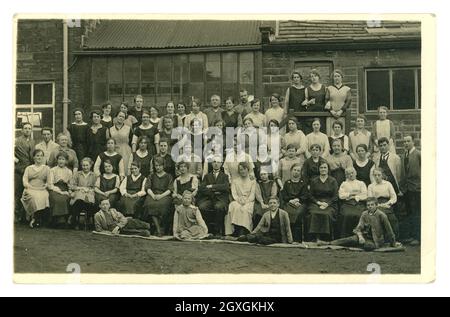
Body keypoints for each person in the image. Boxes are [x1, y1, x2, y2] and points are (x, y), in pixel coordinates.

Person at [329, 197, 397, 251]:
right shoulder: (364, 214)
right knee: (349, 239)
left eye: (372, 205)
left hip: (375, 239)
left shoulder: (382, 215)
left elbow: (389, 230)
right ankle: (328, 243)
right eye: (368, 205)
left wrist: (393, 243)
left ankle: (358, 244)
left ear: (376, 205)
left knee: (369, 246)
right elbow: (358, 228)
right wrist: (360, 237)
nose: (370, 207)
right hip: (364, 236)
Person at [198, 156, 230, 236]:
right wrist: (215, 192)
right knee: (202, 207)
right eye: (214, 162)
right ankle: (207, 229)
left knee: (218, 207)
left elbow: (225, 187)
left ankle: (217, 230)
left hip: (220, 199)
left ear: (221, 164)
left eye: (218, 162)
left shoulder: (225, 176)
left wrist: (212, 186)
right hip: (209, 199)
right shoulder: (207, 176)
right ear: (212, 164)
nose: (216, 164)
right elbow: (202, 188)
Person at [307, 162, 339, 243]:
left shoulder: (333, 181)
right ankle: (315, 236)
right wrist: (318, 203)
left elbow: (335, 196)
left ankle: (326, 238)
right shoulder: (314, 181)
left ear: (328, 169)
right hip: (316, 203)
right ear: (319, 169)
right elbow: (310, 195)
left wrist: (327, 204)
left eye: (325, 168)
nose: (323, 169)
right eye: (321, 168)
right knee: (313, 213)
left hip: (330, 203)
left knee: (327, 214)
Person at [143, 157, 174, 236]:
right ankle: (158, 229)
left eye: (160, 165)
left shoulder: (168, 176)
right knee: (150, 204)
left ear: (163, 166)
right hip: (153, 194)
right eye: (156, 165)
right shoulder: (151, 176)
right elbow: (148, 188)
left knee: (163, 205)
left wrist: (161, 196)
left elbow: (170, 189)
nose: (158, 167)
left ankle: (160, 228)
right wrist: (153, 195)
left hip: (164, 195)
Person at [399, 135, 421, 246]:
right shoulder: (404, 156)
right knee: (409, 212)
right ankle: (411, 236)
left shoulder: (418, 154)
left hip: (416, 189)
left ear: (413, 142)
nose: (406, 143)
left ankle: (417, 237)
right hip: (407, 189)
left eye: (408, 141)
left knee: (416, 213)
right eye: (404, 142)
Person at [21, 149, 50, 228]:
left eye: (41, 156)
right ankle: (34, 218)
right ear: (33, 157)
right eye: (37, 156)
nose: (39, 157)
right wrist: (31, 187)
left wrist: (45, 185)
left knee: (45, 195)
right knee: (33, 196)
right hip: (30, 188)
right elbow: (25, 181)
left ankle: (37, 218)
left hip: (41, 188)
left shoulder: (46, 168)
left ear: (43, 157)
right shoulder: (29, 168)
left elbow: (49, 181)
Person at [281, 163, 309, 242]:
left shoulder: (303, 183)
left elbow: (305, 195)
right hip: (289, 203)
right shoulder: (287, 183)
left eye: (298, 171)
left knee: (298, 213)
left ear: (300, 173)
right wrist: (290, 200)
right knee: (286, 212)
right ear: (291, 171)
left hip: (300, 203)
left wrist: (297, 200)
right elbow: (284, 195)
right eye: (294, 170)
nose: (296, 172)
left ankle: (297, 238)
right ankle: (287, 237)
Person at [226, 162, 257, 236]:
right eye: (240, 170)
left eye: (244, 169)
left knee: (245, 209)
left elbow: (253, 194)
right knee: (233, 206)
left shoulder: (252, 180)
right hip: (238, 200)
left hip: (249, 201)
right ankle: (235, 229)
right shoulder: (235, 181)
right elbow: (234, 193)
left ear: (248, 169)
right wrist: (238, 200)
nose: (242, 171)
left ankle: (244, 229)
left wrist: (247, 201)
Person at [368, 168, 399, 238]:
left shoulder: (388, 184)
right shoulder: (371, 186)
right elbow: (370, 199)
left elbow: (394, 197)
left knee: (392, 219)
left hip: (387, 204)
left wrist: (388, 203)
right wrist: (377, 205)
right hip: (375, 205)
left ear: (382, 175)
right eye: (375, 175)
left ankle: (393, 238)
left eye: (379, 175)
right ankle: (380, 238)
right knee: (378, 217)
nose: (377, 177)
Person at [338, 167, 368, 238]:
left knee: (360, 215)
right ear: (346, 175)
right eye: (348, 174)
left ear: (356, 173)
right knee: (346, 215)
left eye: (352, 173)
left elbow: (364, 195)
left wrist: (354, 197)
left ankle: (360, 235)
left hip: (359, 203)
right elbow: (341, 195)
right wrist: (352, 194)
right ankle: (345, 236)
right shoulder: (344, 184)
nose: (351, 175)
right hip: (347, 204)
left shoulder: (361, 183)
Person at [14, 123, 35, 223]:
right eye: (25, 128)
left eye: (29, 129)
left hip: (29, 170)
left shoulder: (32, 141)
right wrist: (16, 160)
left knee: (26, 193)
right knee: (18, 193)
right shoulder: (17, 141)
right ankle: (16, 216)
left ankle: (24, 216)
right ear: (22, 130)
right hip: (19, 170)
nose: (27, 130)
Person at [69, 157, 97, 230]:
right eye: (83, 165)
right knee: (78, 201)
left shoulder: (94, 175)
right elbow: (71, 185)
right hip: (79, 192)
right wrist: (80, 188)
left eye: (87, 165)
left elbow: (96, 187)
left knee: (90, 202)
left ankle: (88, 221)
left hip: (89, 193)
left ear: (90, 165)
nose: (85, 167)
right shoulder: (77, 174)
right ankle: (75, 221)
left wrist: (89, 189)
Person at [48, 151, 73, 227]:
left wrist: (69, 191)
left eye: (63, 159)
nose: (61, 161)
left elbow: (70, 184)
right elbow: (50, 184)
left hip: (65, 188)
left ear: (66, 161)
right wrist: (60, 191)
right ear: (57, 160)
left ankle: (63, 219)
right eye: (59, 159)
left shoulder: (69, 171)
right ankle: (55, 220)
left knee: (66, 198)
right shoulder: (53, 170)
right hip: (54, 188)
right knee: (56, 198)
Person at [324, 69, 351, 135]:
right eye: (335, 76)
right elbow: (326, 100)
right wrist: (331, 111)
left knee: (342, 134)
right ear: (333, 78)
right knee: (330, 134)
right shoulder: (329, 88)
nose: (337, 78)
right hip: (331, 115)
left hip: (342, 115)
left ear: (342, 77)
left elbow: (348, 101)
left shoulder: (347, 89)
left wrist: (341, 111)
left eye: (338, 76)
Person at [108, 111, 133, 175]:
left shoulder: (128, 129)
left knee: (125, 169)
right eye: (120, 116)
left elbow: (131, 141)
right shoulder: (110, 129)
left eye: (123, 117)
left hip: (125, 151)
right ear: (116, 117)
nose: (121, 118)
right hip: (114, 150)